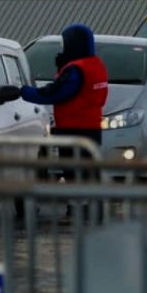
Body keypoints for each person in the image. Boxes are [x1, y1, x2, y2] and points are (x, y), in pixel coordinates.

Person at [20, 23, 109, 178]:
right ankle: (88, 201)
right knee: (88, 171)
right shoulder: (96, 65)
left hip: (73, 129)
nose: (63, 48)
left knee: (73, 172)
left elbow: (55, 93)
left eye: (65, 43)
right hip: (92, 128)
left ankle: (79, 201)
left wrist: (23, 92)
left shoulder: (76, 69)